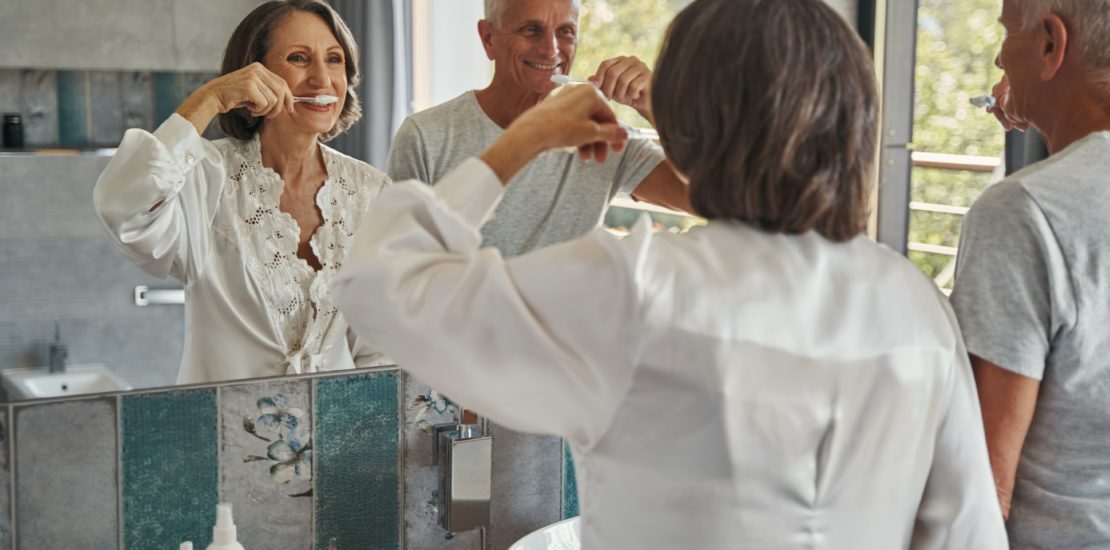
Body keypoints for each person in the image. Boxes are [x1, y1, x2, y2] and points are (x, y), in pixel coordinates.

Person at [334, 0, 1008, 547]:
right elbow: (969, 537)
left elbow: (376, 284)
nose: (554, 45)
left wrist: (525, 140)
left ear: (687, 114)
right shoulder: (914, 306)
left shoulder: (634, 287)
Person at [93, 0, 390, 384]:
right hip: (222, 435)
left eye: (334, 60)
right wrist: (209, 99)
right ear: (253, 72)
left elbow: (378, 344)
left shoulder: (371, 191)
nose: (322, 79)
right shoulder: (203, 177)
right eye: (299, 58)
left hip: (338, 434)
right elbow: (123, 209)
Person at [949, 0, 1110, 546]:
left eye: (1007, 35)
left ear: (1050, 44)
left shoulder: (1026, 213)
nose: (998, 57)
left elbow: (979, 489)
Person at [387, 0, 690, 259]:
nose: (551, 49)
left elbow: (707, 199)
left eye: (566, 32)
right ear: (488, 38)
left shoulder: (605, 136)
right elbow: (395, 270)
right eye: (531, 30)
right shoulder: (424, 136)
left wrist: (660, 109)